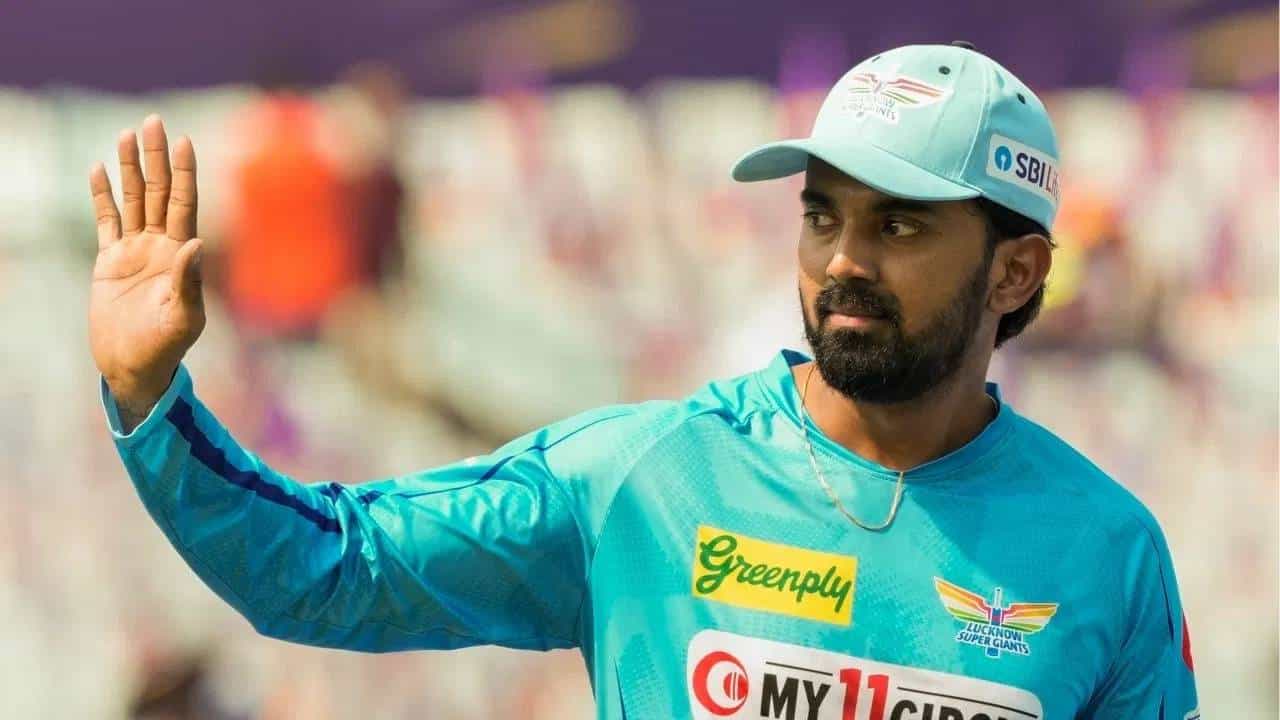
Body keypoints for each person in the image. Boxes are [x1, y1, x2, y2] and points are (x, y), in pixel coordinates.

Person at [87, 44, 1198, 719]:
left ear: (1015, 271)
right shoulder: (641, 479)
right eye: (822, 217)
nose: (843, 262)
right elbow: (322, 570)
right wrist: (149, 395)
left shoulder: (1106, 550)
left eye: (898, 226)